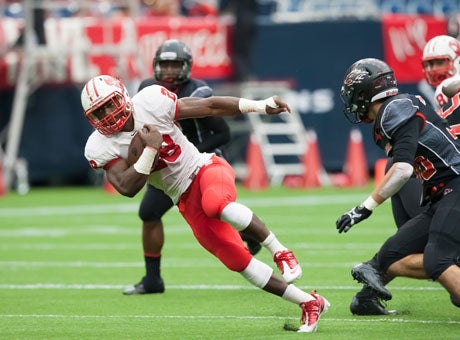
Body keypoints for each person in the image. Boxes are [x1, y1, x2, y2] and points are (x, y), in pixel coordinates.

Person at [81, 74, 330, 332]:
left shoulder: (150, 101)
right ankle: (309, 302)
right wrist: (150, 151)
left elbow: (209, 106)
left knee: (216, 204)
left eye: (110, 104)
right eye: (100, 111)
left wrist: (259, 105)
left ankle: (280, 251)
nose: (108, 114)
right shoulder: (100, 145)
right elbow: (127, 187)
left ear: (122, 95)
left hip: (204, 168)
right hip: (184, 199)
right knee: (237, 261)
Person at [123, 39, 260, 295]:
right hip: (168, 167)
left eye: (175, 65)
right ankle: (153, 279)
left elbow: (223, 134)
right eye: (165, 65)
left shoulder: (199, 92)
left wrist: (192, 151)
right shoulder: (147, 90)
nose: (170, 71)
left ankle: (250, 235)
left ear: (186, 67)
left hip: (201, 163)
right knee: (148, 213)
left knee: (215, 211)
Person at [336, 57, 460, 310]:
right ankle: (366, 299)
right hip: (439, 194)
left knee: (438, 259)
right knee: (390, 255)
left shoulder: (394, 110)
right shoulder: (397, 107)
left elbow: (402, 169)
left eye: (354, 94)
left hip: (455, 184)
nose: (352, 101)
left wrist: (364, 208)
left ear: (365, 91)